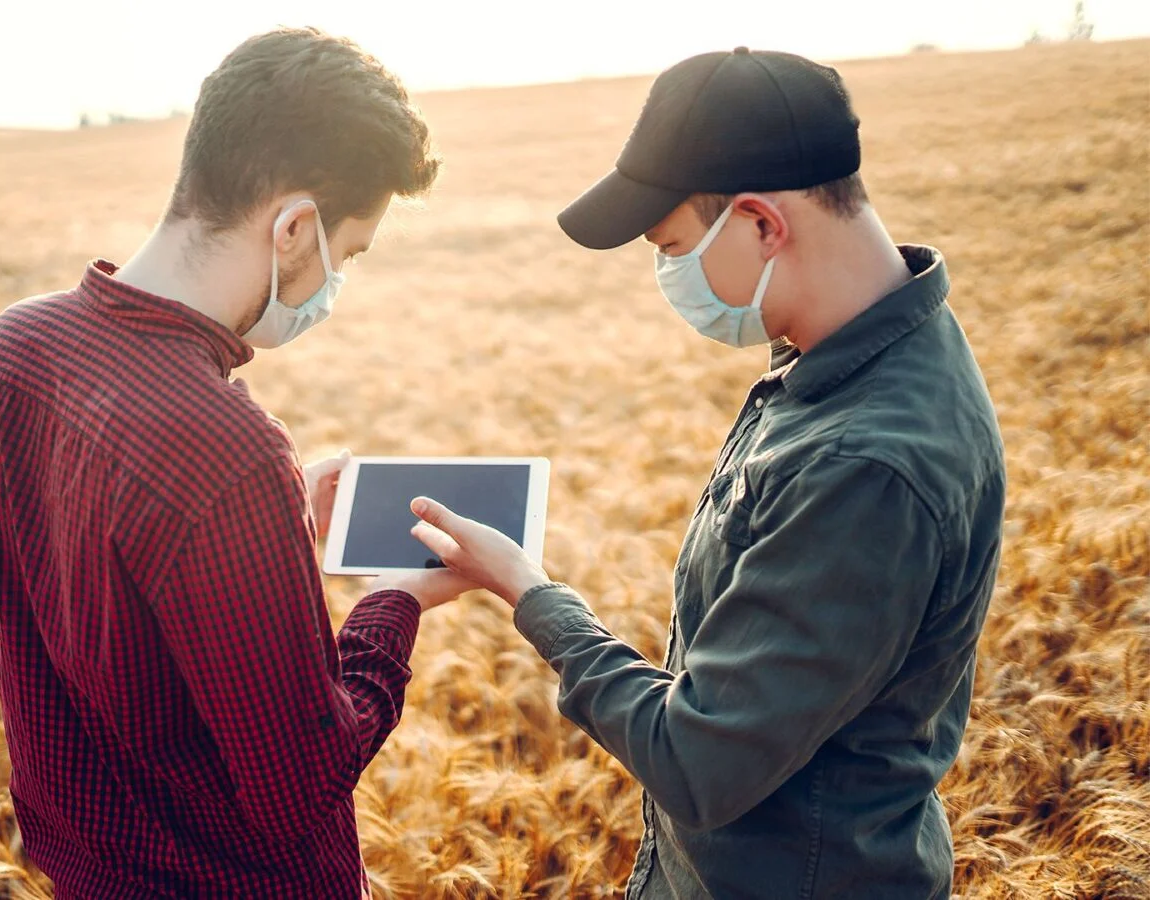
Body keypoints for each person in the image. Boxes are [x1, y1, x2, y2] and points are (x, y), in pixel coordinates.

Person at [406, 47, 1005, 899]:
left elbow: (699, 764)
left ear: (763, 223)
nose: (667, 274)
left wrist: (530, 593)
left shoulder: (863, 464)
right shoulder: (853, 352)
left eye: (672, 245)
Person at [0, 27, 471, 899]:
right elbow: (298, 790)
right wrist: (395, 600)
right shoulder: (223, 453)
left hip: (85, 872)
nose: (338, 281)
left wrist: (267, 533)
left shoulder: (10, 348)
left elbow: (92, 601)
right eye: (349, 255)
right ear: (296, 227)